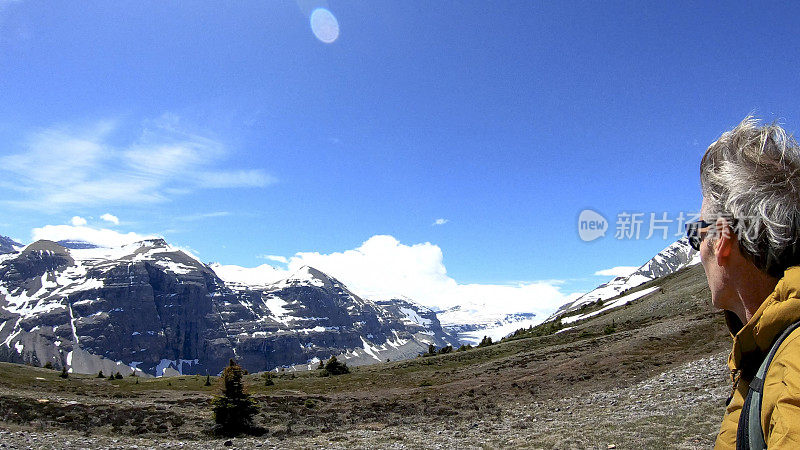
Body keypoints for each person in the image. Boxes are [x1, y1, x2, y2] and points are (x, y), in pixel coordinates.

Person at [689, 116, 800, 449]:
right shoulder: (767, 348)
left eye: (697, 234)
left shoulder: (792, 368)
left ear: (722, 241)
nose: (698, 253)